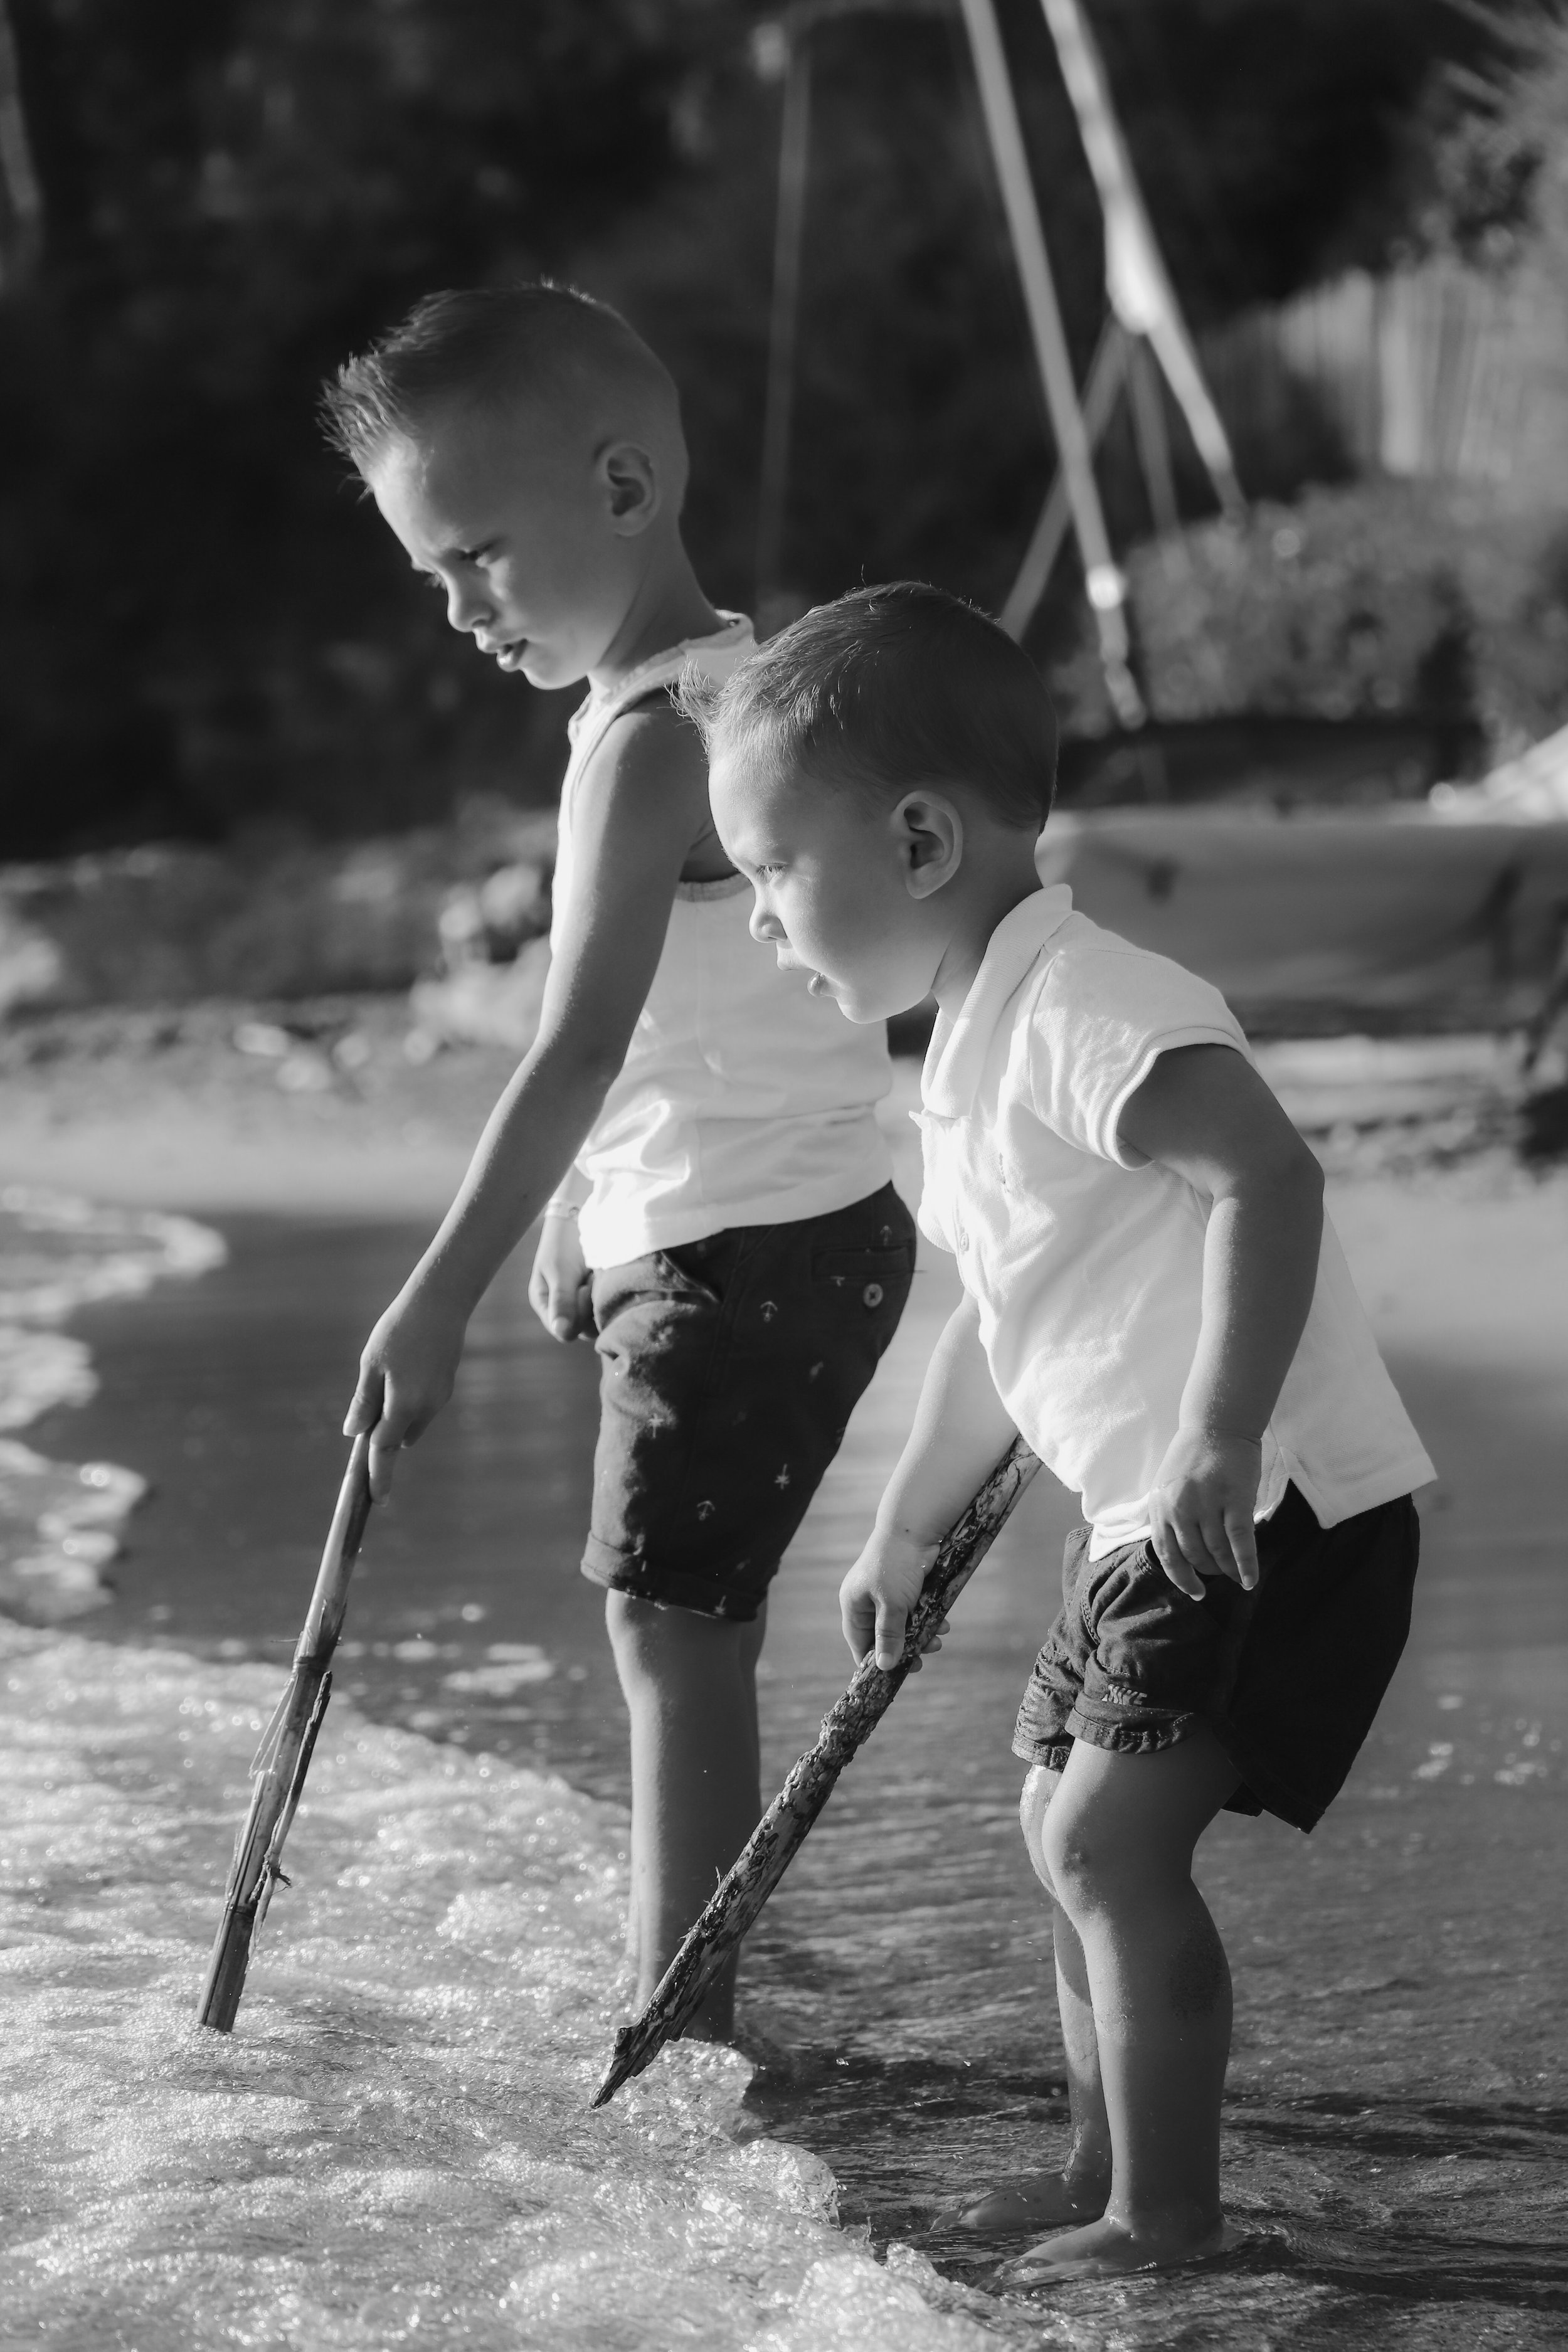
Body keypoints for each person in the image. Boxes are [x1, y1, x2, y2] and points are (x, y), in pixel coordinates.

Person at [692, 580, 1434, 2278]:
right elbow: (994, 1323)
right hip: (1142, 1515)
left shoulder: (1083, 995)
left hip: (1267, 1498)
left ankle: (1161, 2217)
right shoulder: (959, 1058)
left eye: (769, 873)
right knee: (1054, 1833)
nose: (755, 920)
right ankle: (1099, 2163)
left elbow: (1263, 1174)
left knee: (1107, 1838)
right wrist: (894, 1528)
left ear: (921, 841)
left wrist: (1219, 1436)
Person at [320, 287, 915, 2039]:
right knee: (680, 1622)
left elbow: (578, 1041)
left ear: (624, 485)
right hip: (787, 1227)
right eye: (432, 576)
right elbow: (705, 1025)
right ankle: (689, 1993)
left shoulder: (650, 742)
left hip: (742, 1254)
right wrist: (591, 1207)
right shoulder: (742, 689)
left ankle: (682, 2030)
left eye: (480, 557)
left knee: (673, 1634)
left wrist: (425, 1301)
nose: (459, 611)